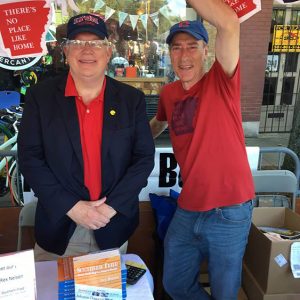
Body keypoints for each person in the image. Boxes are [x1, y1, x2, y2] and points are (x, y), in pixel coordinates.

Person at [18, 13, 155, 261]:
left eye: (96, 42)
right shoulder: (41, 98)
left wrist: (110, 208)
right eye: (78, 43)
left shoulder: (131, 100)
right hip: (59, 227)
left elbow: (143, 158)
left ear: (108, 51)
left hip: (112, 226)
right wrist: (73, 207)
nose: (87, 50)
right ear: (66, 52)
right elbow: (30, 159)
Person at [150, 0, 255, 299]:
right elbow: (158, 125)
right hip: (188, 206)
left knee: (224, 292)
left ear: (206, 51)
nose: (184, 55)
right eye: (176, 48)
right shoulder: (168, 93)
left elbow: (229, 23)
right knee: (175, 283)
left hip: (230, 209)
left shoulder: (222, 80)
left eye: (192, 46)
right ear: (169, 54)